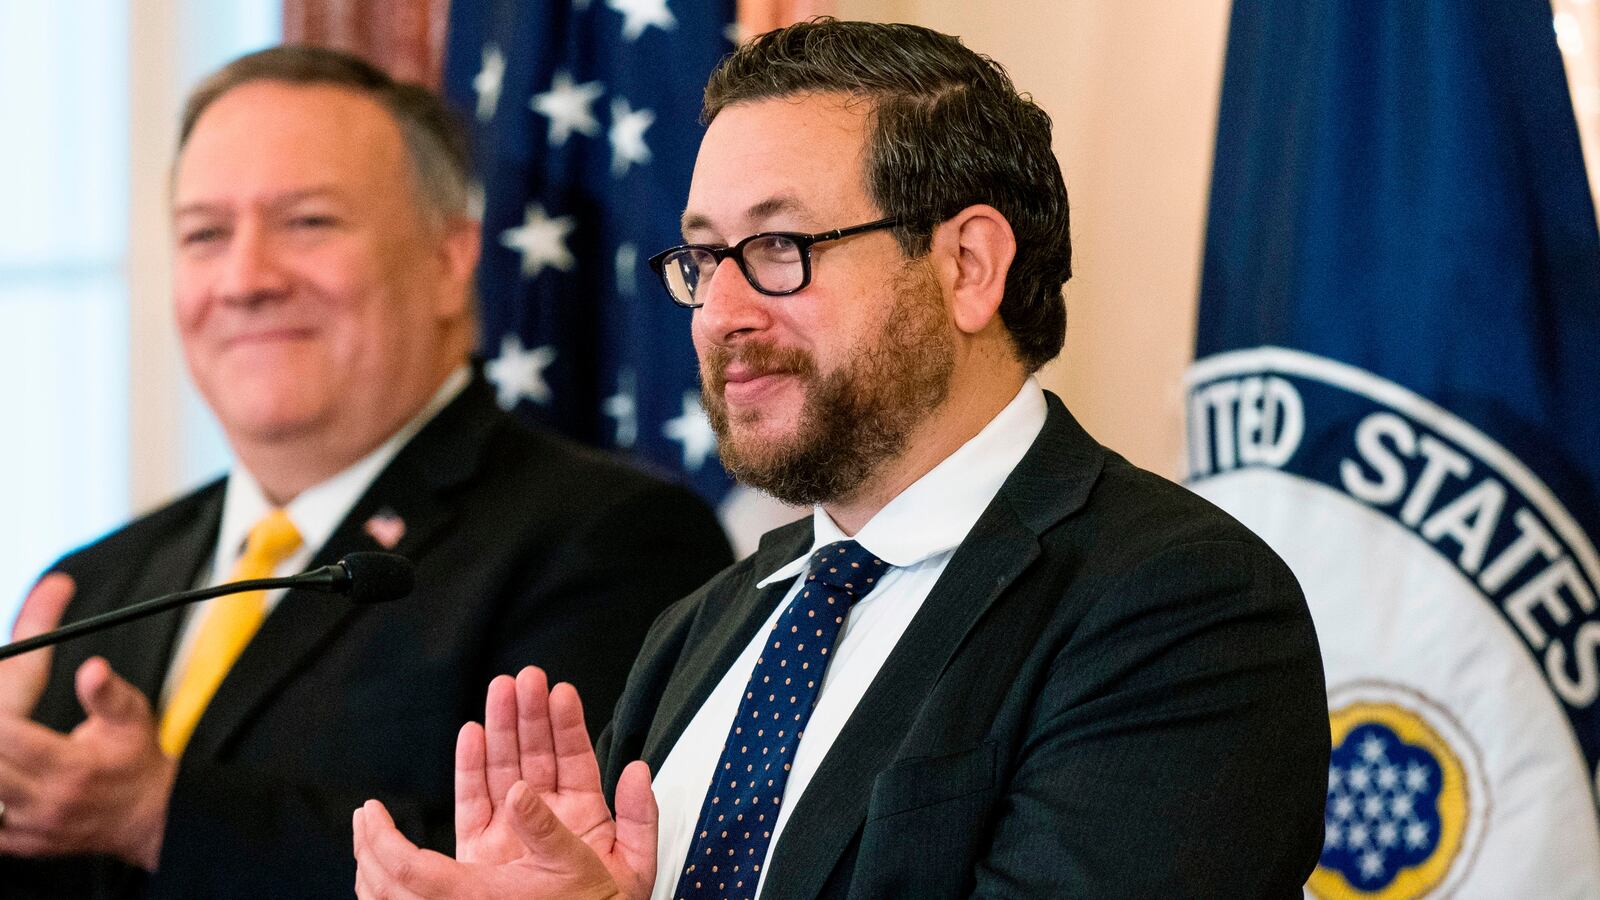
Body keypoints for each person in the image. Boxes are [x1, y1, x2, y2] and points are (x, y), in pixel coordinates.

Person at [352, 19, 1331, 898]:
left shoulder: (1180, 607)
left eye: (778, 246)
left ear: (966, 266)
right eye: (701, 259)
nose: (722, 315)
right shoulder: (705, 623)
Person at [0, 46, 732, 899]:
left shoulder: (613, 543)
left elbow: (554, 871)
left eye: (307, 222)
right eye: (204, 234)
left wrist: (159, 814)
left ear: (448, 259)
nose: (245, 280)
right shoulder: (94, 584)